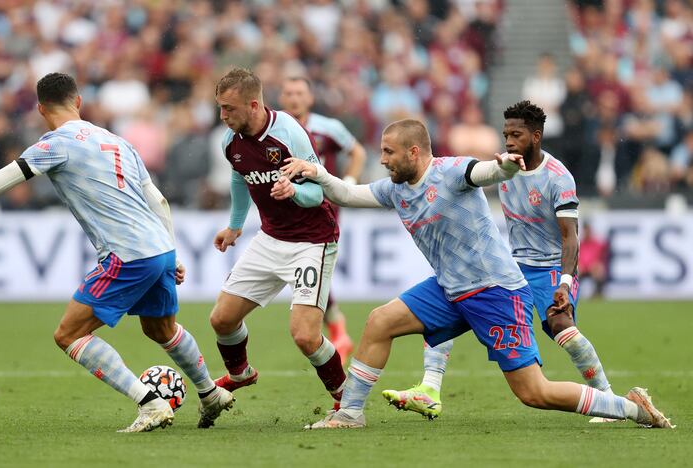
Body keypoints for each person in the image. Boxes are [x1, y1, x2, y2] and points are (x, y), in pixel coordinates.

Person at [281, 118, 674, 429]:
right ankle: (350, 414)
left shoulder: (450, 172)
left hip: (496, 291)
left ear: (413, 152)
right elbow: (347, 194)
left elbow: (483, 172)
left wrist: (503, 167)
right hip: (449, 290)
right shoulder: (395, 188)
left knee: (533, 393)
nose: (381, 159)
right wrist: (313, 171)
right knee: (380, 321)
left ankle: (630, 407)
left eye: (388, 152)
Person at [0, 72, 234, 432]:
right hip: (159, 247)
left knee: (69, 334)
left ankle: (151, 403)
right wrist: (172, 254)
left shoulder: (54, 144)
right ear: (78, 102)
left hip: (127, 253)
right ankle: (211, 392)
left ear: (41, 109)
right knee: (161, 329)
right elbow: (159, 200)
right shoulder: (117, 141)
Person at [382, 101, 618, 424]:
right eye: (505, 134)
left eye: (516, 135)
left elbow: (570, 238)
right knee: (450, 301)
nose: (508, 141)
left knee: (561, 326)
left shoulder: (558, 177)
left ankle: (608, 399)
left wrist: (564, 281)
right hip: (511, 265)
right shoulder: (503, 167)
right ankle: (430, 387)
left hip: (551, 267)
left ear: (536, 137)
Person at [209, 68, 346, 411]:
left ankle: (347, 398)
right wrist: (235, 226)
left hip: (312, 241)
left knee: (305, 336)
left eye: (229, 109)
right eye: (220, 109)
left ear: (253, 105)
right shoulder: (232, 141)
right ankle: (240, 374)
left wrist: (294, 190)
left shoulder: (289, 134)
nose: (223, 116)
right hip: (270, 238)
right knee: (221, 319)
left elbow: (320, 193)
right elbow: (240, 179)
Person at [278, 76, 367, 363]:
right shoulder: (274, 130)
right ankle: (337, 327)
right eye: (289, 93)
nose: (294, 98)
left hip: (322, 206)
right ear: (282, 97)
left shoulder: (328, 128)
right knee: (300, 273)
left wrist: (349, 183)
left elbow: (357, 152)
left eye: (299, 93)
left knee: (310, 269)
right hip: (288, 207)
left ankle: (336, 330)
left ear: (310, 98)